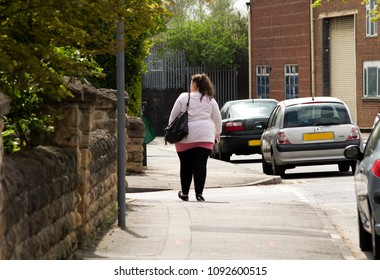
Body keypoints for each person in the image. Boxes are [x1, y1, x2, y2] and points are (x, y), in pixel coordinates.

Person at [168, 73, 222, 202]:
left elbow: (173, 116)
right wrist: (217, 133)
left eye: (191, 83)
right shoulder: (210, 99)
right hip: (205, 136)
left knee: (185, 165)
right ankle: (199, 194)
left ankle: (185, 193)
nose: (190, 85)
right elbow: (218, 119)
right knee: (200, 165)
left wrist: (170, 131)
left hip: (184, 136)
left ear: (195, 84)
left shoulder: (183, 97)